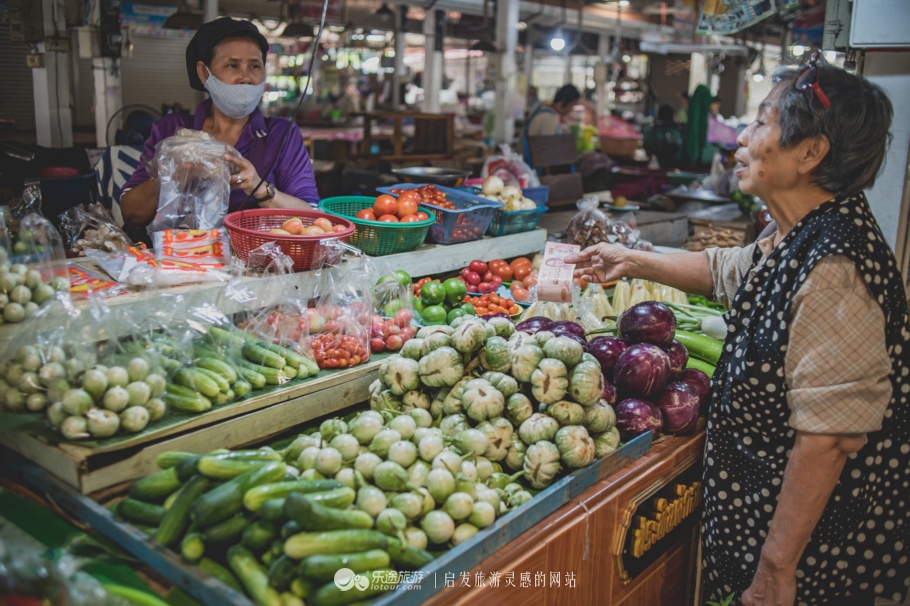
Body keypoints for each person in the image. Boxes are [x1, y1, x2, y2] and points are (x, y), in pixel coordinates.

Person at [566, 52, 908, 605]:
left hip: (812, 554)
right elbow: (728, 270)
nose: (742, 138)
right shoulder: (800, 233)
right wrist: (630, 260)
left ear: (811, 152)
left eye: (762, 122)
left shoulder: (836, 267)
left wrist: (777, 568)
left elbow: (829, 438)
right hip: (760, 519)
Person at [121, 18, 318, 228]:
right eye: (232, 65)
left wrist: (260, 188)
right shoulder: (171, 131)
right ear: (203, 73)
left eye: (255, 66)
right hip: (182, 248)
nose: (246, 78)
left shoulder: (281, 134)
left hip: (257, 249)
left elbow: (312, 218)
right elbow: (130, 213)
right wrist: (173, 177)